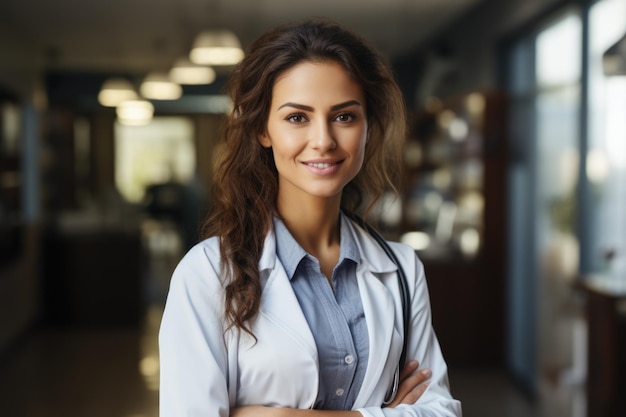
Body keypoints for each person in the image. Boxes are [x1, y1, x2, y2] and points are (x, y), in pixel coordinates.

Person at [159, 18, 462, 417]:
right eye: (297, 117)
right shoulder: (207, 275)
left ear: (368, 126)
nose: (323, 140)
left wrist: (283, 416)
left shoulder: (402, 270)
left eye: (344, 116)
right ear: (263, 129)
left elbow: (441, 412)